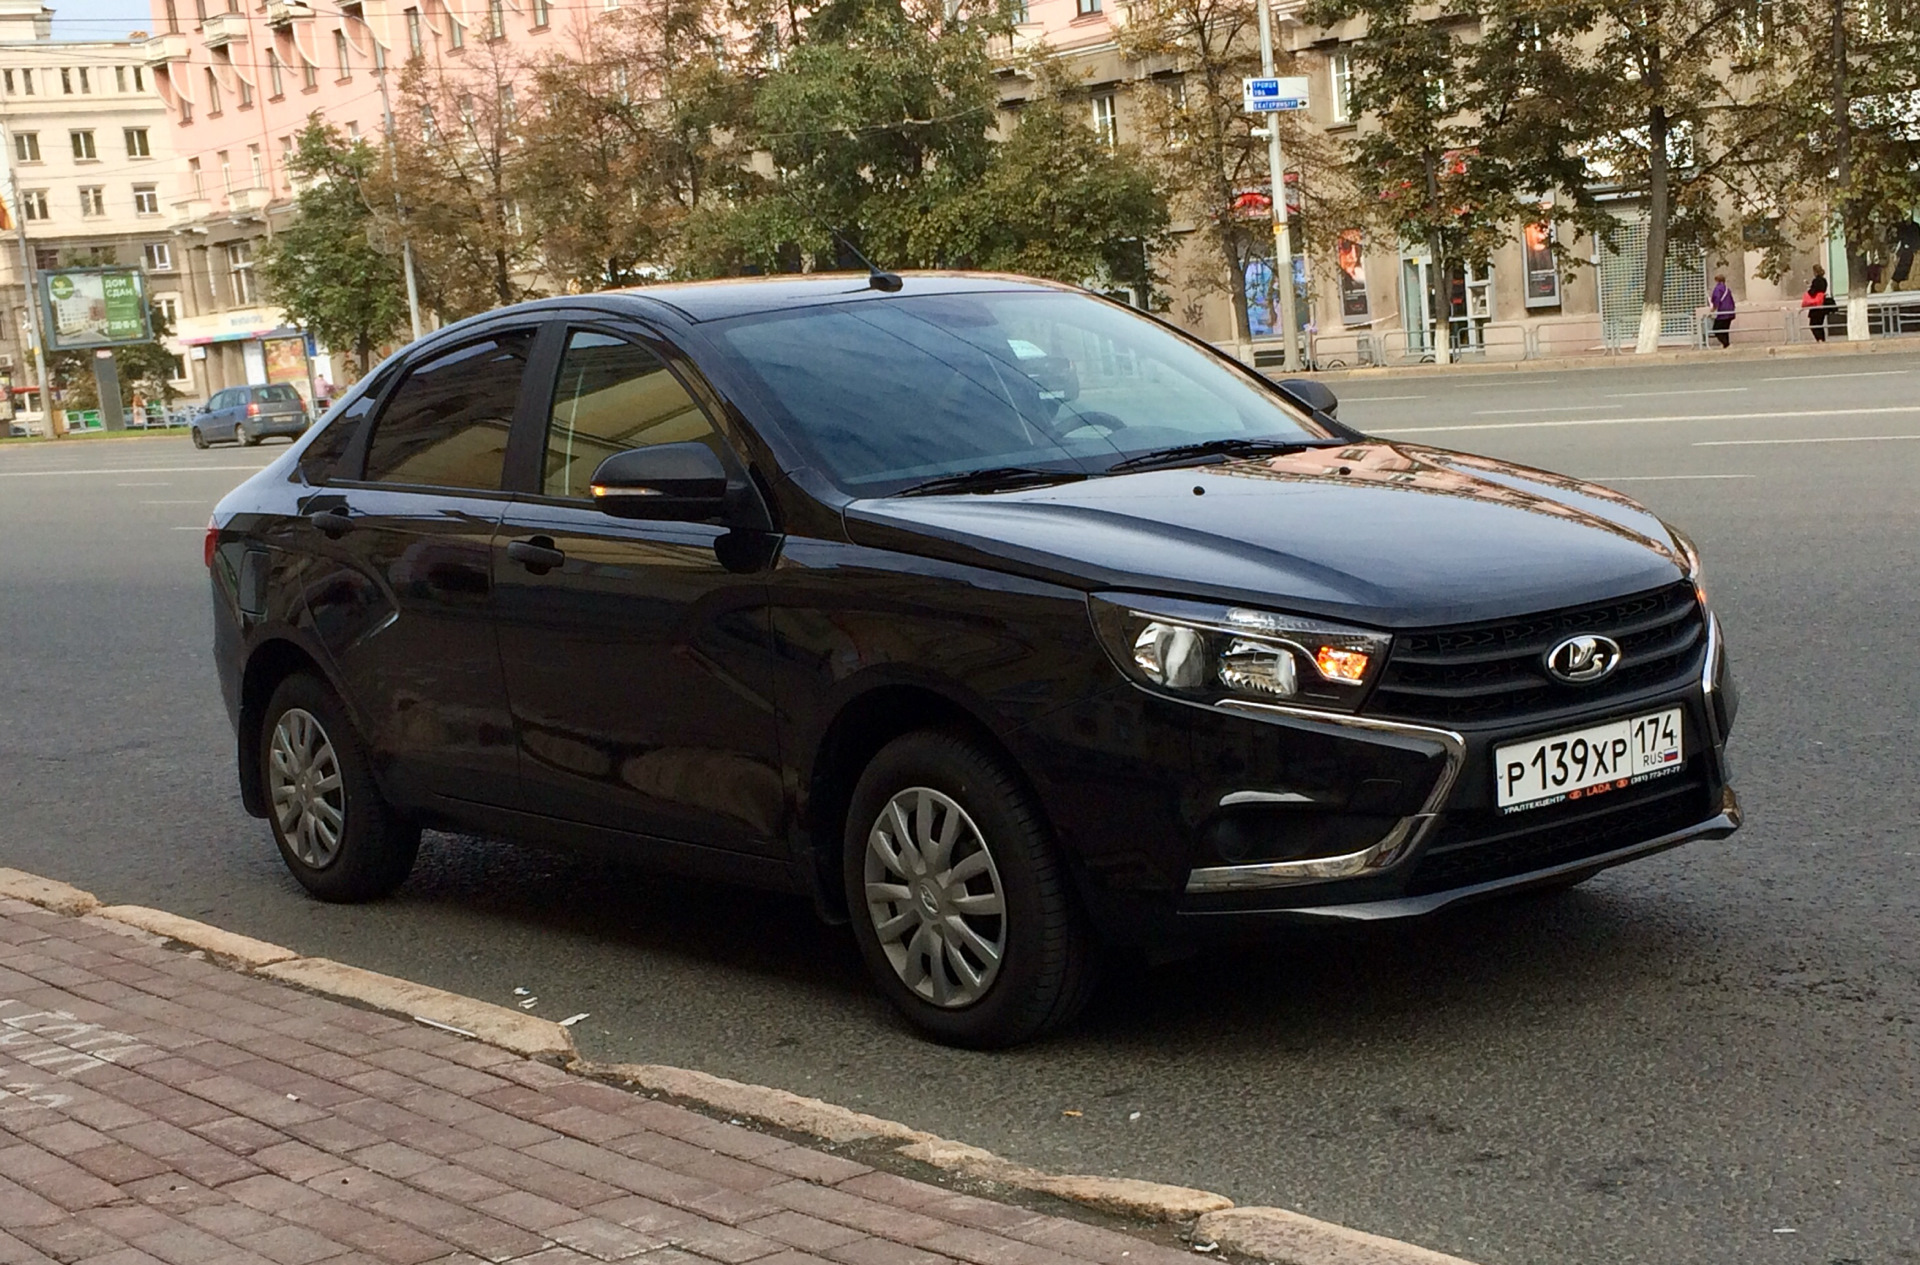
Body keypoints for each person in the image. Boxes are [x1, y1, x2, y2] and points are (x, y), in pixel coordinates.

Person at [1804, 264, 1835, 342]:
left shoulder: (1816, 280)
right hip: (1822, 304)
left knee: (1813, 324)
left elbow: (1813, 292)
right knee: (1819, 324)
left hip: (1817, 305)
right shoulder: (1824, 280)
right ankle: (1822, 340)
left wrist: (1809, 288)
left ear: (1815, 271)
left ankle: (1820, 340)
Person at [1709, 273, 1735, 348]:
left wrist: (1713, 308)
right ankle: (1726, 344)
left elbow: (1716, 299)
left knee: (1716, 329)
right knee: (1725, 329)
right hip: (1730, 312)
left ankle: (1726, 344)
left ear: (1717, 280)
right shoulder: (1727, 289)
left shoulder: (1718, 289)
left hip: (1722, 312)